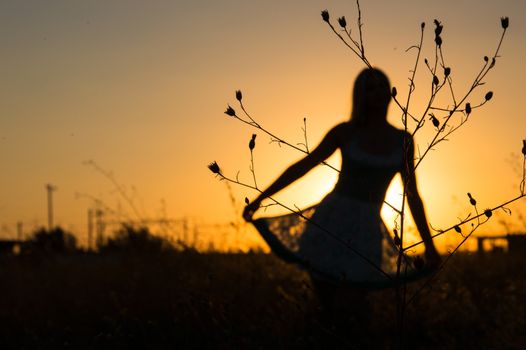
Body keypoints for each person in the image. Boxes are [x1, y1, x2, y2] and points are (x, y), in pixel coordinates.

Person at [242, 68, 440, 319]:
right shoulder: (345, 132)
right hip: (329, 224)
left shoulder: (403, 140)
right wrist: (260, 198)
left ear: (390, 93)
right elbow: (304, 166)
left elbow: (412, 195)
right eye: (370, 88)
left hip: (367, 232)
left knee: (352, 309)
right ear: (360, 95)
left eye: (381, 87)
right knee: (329, 311)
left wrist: (430, 246)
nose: (377, 92)